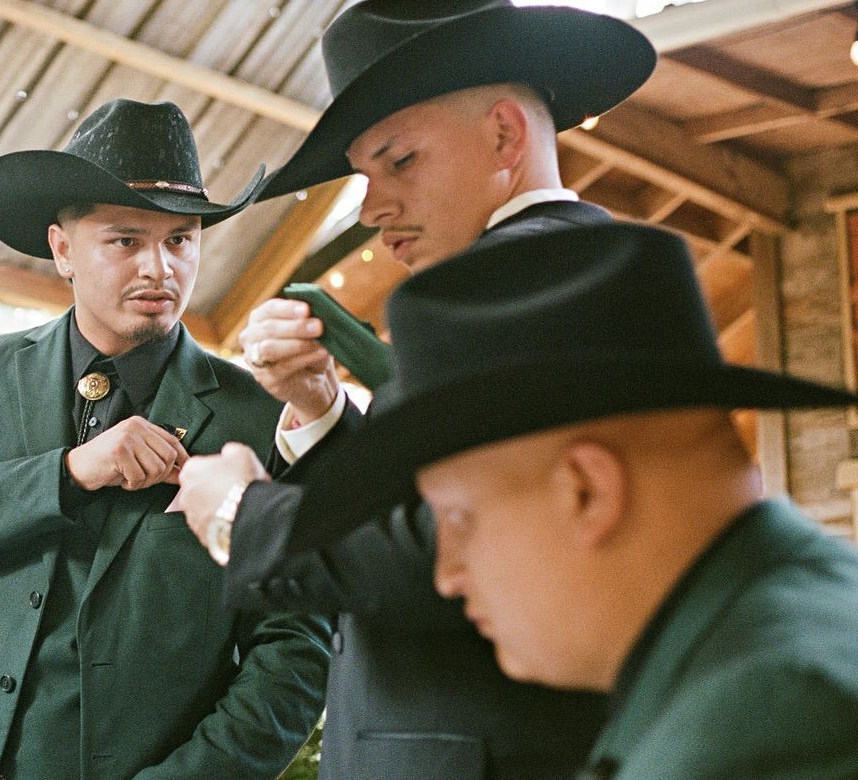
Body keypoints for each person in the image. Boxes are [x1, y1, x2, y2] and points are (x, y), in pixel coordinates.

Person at [174, 0, 656, 779]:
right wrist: (321, 407)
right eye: (364, 175)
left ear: (504, 134)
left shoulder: (512, 278)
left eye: (399, 160)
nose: (371, 208)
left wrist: (238, 512)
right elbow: (439, 499)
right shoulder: (566, 269)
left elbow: (461, 542)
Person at [0, 99, 330, 780]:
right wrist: (65, 473)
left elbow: (296, 653)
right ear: (63, 248)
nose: (159, 268)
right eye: (126, 241)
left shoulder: (262, 415)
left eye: (180, 240)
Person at [325, 222, 858, 780]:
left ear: (587, 489)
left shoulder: (769, 721)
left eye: (458, 517)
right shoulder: (748, 653)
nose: (448, 574)